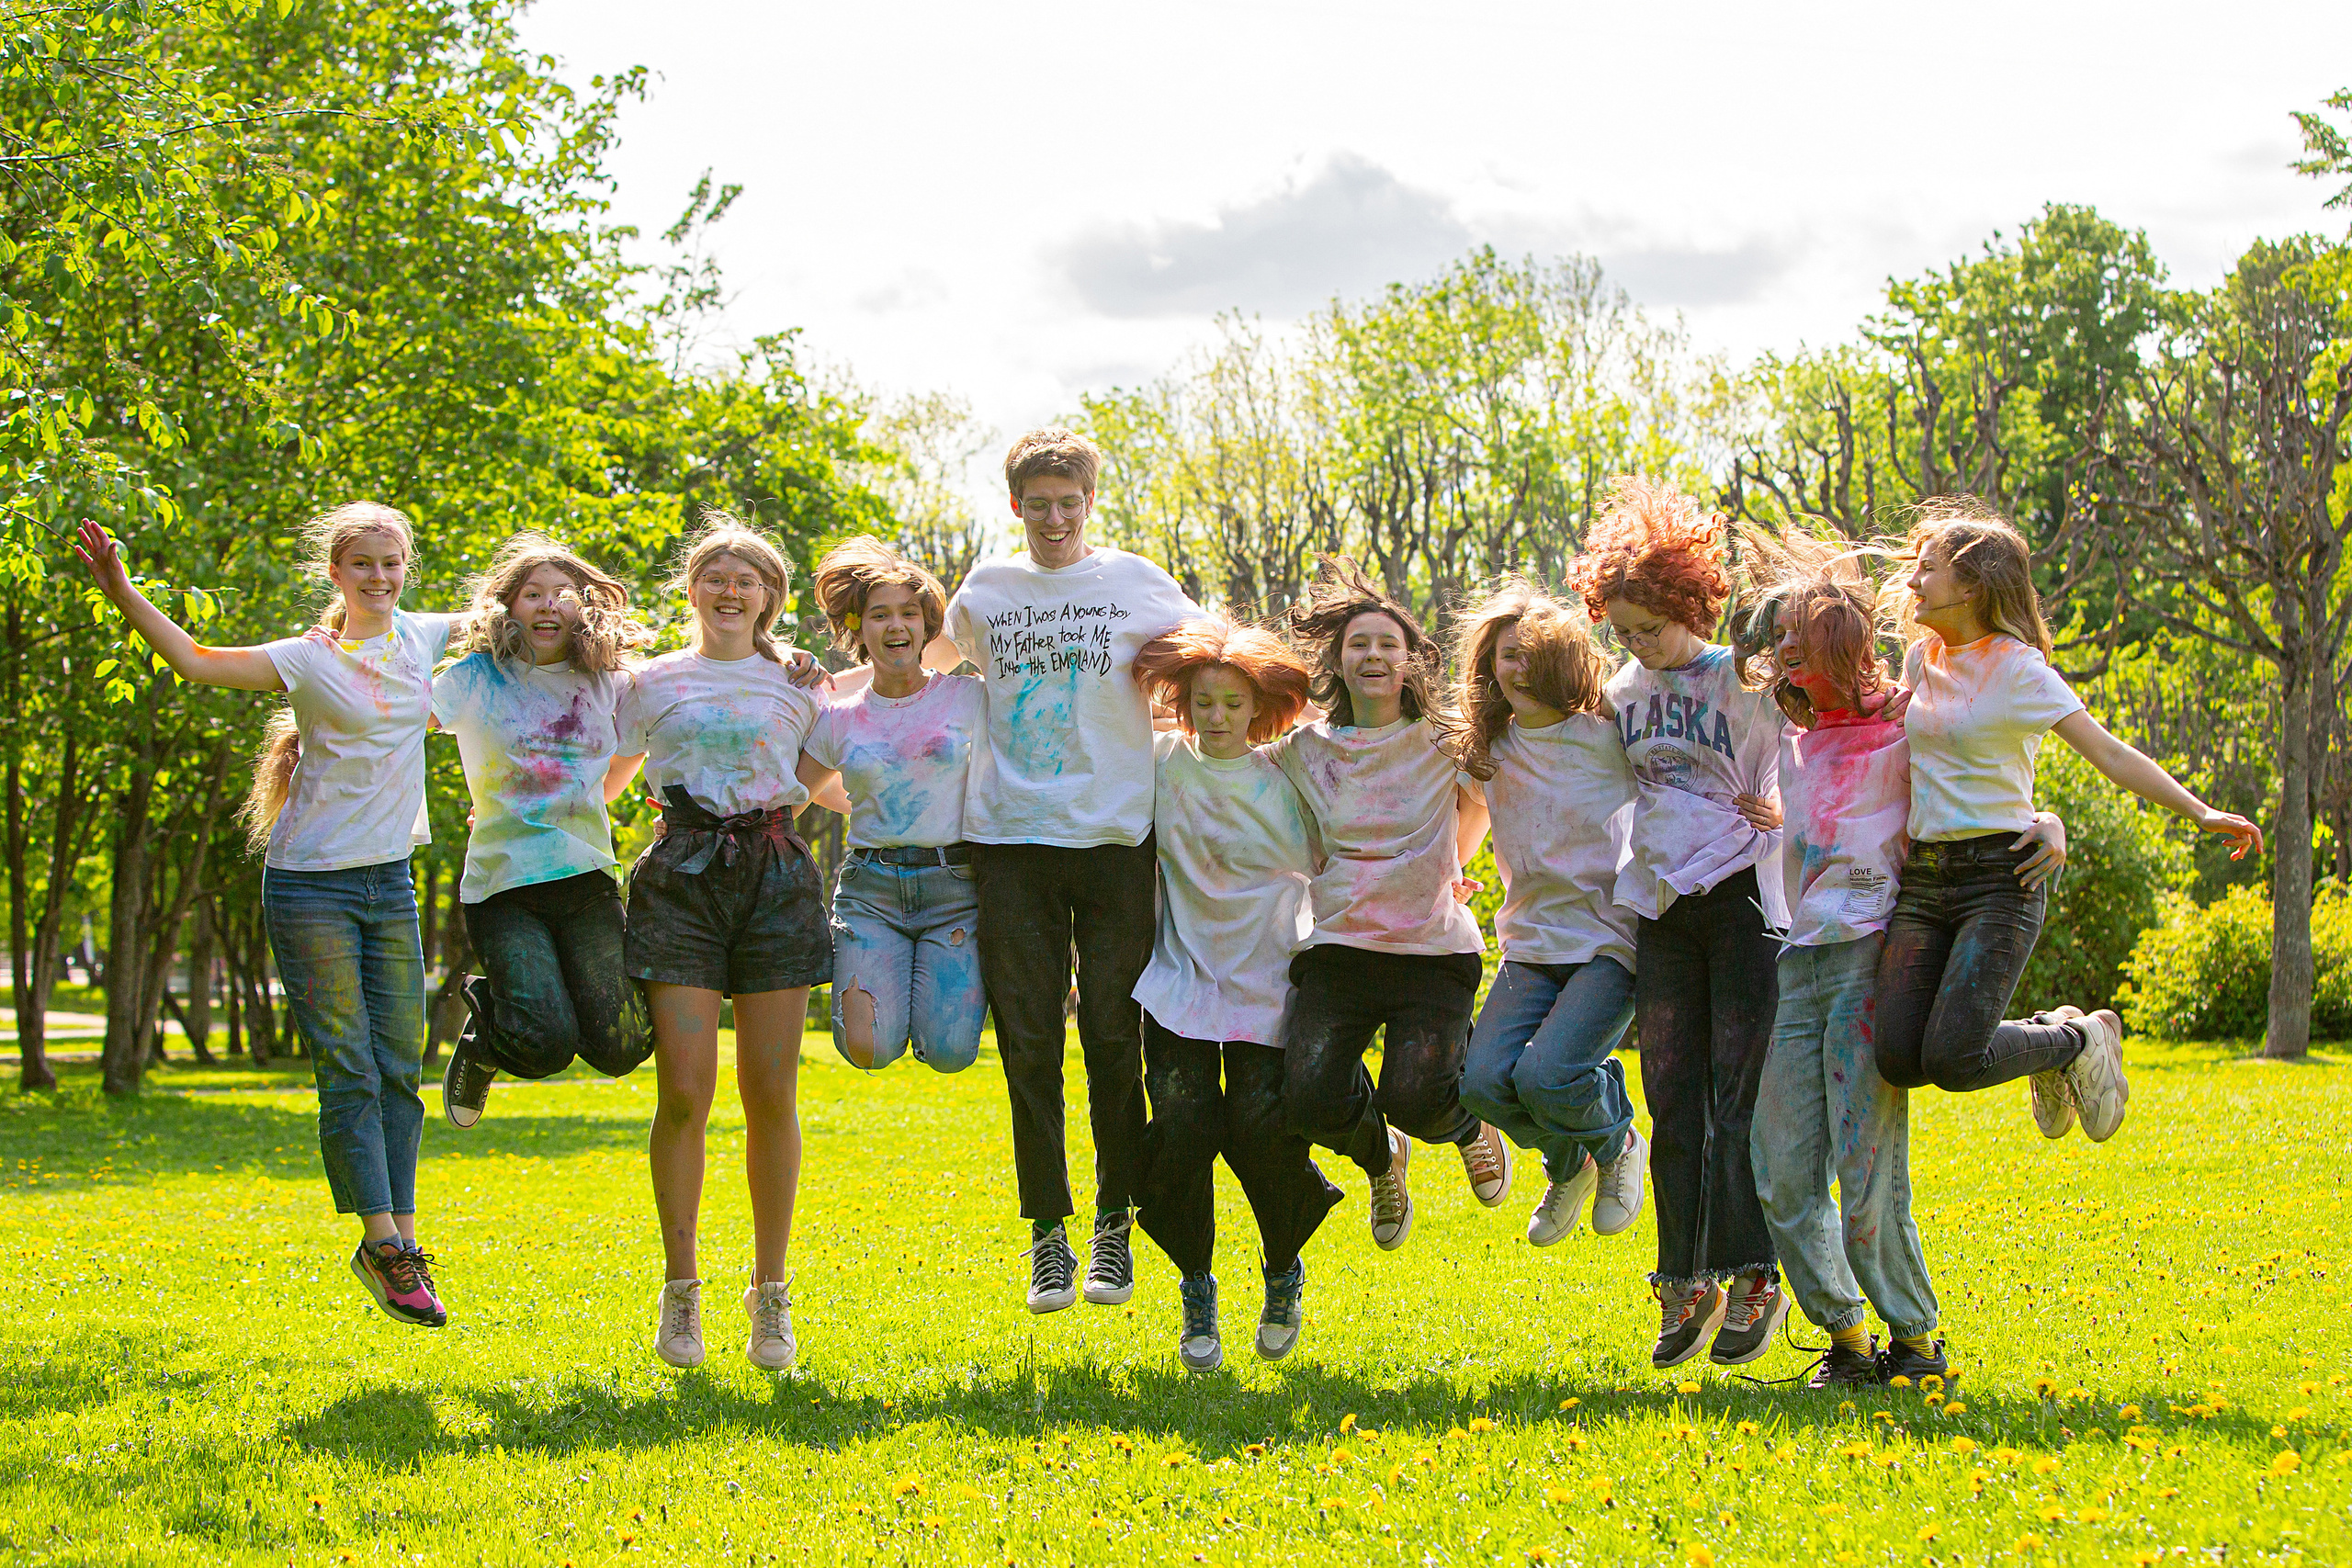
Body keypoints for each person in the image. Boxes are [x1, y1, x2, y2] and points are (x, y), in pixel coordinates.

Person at [74, 504, 458, 1329]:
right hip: (311, 884)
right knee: (350, 1066)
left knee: (400, 1065)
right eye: (363, 564)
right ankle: (382, 1243)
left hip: (390, 880)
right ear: (336, 574)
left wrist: (599, 615)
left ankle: (400, 1245)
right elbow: (195, 660)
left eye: (391, 562)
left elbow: (521, 614)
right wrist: (122, 590)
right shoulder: (308, 657)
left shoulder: (425, 636)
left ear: (406, 568)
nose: (380, 577)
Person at [1736, 524, 2066, 1387]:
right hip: (1800, 961)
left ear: (1842, 649)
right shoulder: (1792, 739)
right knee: (1779, 1166)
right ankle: (1846, 1336)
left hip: (1870, 961)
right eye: (1781, 640)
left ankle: (1916, 1340)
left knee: (1866, 1170)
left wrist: (2048, 821)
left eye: (1801, 640)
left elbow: (1984, 775)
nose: (1785, 654)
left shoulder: (1903, 726)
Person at [1877, 500, 2261, 1163]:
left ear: (1971, 587)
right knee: (1896, 1056)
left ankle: (2079, 1040)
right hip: (1926, 877)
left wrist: (2201, 812)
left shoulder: (2020, 669)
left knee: (1953, 1059)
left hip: (2002, 877)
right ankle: (2060, 1036)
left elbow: (2109, 753)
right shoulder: (1919, 661)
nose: (1913, 581)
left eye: (1928, 568)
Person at [912, 429, 1200, 1314]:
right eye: (1037, 504)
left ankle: (1115, 1222)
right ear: (1015, 506)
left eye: (1067, 503)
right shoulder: (987, 591)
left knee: (1115, 1038)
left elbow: (1212, 658)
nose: (1053, 519)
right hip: (1010, 841)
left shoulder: (1138, 583)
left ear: (1090, 501)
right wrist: (813, 680)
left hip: (1116, 837)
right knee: (1029, 1044)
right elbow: (917, 674)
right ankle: (1048, 1233)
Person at [1568, 477, 1788, 1371]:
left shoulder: (1743, 679)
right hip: (1660, 906)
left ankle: (1756, 1272)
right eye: (1622, 631)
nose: (1637, 645)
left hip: (1740, 900)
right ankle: (1684, 1278)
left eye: (1650, 627)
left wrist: (1781, 812)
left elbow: (1802, 767)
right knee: (1671, 1099)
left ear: (1689, 601)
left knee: (1737, 1099)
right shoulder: (1621, 692)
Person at [616, 513, 832, 1373]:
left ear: (770, 596)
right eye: (716, 577)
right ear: (693, 589)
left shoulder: (800, 681)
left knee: (771, 1092)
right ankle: (682, 1289)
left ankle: (770, 1292)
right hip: (679, 883)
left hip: (775, 883)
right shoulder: (649, 681)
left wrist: (774, 810)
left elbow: (822, 763)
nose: (730, 591)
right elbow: (607, 774)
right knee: (684, 1092)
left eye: (748, 580)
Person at [1270, 555, 1513, 1255]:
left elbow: (1479, 803)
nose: (1373, 654)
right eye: (1359, 644)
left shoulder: (1441, 738)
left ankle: (1467, 1126)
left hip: (1430, 950)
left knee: (1417, 1095)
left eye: (1388, 643)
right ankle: (1383, 1157)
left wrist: (1452, 862)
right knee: (1308, 1097)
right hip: (1340, 949)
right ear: (1338, 662)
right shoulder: (1307, 749)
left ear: (1410, 661)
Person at [1128, 615, 1344, 1371]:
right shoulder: (1162, 762)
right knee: (1183, 1124)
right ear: (1183, 704)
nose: (1217, 717)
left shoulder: (1287, 774)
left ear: (1258, 707)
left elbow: (1347, 847)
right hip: (1181, 977)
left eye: (1232, 702)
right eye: (1204, 702)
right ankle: (1196, 1283)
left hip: (1269, 980)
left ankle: (1282, 1270)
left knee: (1261, 1129)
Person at [1448, 578, 1649, 1252]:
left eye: (1535, 653)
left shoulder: (1606, 738)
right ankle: (1573, 1161)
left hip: (1609, 942)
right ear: (1490, 664)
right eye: (1508, 654)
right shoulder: (1491, 751)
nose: (1520, 667)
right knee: (1482, 1085)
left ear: (1563, 659)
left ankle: (1618, 1140)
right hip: (1531, 944)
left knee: (1545, 1076)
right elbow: (1468, 821)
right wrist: (1448, 875)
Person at [431, 534, 657, 1129]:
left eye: (564, 593)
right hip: (503, 886)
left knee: (625, 1045)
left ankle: (511, 1015)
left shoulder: (611, 682)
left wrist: (788, 661)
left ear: (586, 606)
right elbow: (397, 719)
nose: (549, 604)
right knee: (543, 1043)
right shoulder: (475, 678)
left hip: (586, 881)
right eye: (533, 593)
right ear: (509, 606)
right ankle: (487, 1035)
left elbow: (641, 742)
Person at [796, 536, 987, 1074]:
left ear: (928, 627)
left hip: (956, 890)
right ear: (858, 628)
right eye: (879, 615)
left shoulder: (970, 698)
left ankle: (936, 1026)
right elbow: (787, 801)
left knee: (950, 1053)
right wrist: (697, 817)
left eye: (909, 613)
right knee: (868, 1049)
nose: (895, 625)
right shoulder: (838, 718)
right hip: (871, 891)